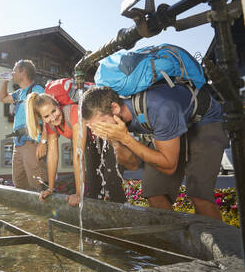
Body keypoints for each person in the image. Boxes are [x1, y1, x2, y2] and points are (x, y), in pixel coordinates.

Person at [82, 85, 227, 221]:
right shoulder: (115, 122)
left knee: (199, 195)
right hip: (167, 128)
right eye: (96, 127)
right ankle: (173, 243)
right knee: (155, 191)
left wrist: (125, 138)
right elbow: (132, 165)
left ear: (114, 108)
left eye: (102, 123)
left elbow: (169, 167)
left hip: (203, 120)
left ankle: (221, 246)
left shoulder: (159, 108)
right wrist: (115, 141)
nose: (101, 130)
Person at [26, 93, 127, 207]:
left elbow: (78, 156)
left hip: (109, 137)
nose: (53, 118)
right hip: (92, 143)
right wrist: (50, 188)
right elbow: (52, 157)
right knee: (94, 189)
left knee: (113, 185)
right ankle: (98, 222)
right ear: (42, 119)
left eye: (54, 111)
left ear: (58, 105)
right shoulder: (51, 125)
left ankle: (122, 219)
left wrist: (79, 194)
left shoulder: (74, 113)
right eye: (46, 116)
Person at [0, 59, 48, 191]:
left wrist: (43, 141)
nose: (12, 73)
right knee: (20, 185)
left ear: (23, 72)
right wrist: (5, 81)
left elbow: (47, 117)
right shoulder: (19, 93)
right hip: (18, 144)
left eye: (14, 70)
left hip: (33, 142)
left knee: (39, 186)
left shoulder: (38, 90)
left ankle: (43, 210)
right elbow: (3, 98)